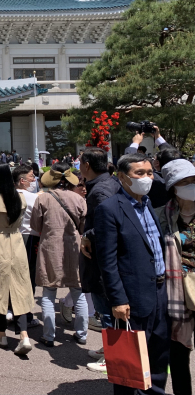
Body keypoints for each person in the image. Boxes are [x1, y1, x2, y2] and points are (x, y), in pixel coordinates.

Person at [94, 154, 169, 395]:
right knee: (130, 360)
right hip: (132, 297)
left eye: (149, 172)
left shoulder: (148, 204)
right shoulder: (110, 209)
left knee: (158, 355)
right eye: (140, 173)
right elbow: (107, 260)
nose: (146, 178)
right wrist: (117, 299)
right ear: (122, 177)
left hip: (160, 291)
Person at [30, 167, 88, 347]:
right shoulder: (79, 199)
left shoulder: (43, 198)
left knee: (48, 291)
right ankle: (81, 333)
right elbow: (83, 226)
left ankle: (48, 335)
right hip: (74, 246)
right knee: (78, 292)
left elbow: (35, 224)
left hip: (50, 246)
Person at [78, 147, 123, 371]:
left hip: (103, 260)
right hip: (102, 257)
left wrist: (88, 235)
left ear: (87, 165)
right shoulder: (108, 183)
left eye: (80, 163)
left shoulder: (101, 190)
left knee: (107, 310)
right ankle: (109, 349)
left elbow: (110, 225)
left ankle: (113, 357)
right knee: (105, 308)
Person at [0, 163, 34, 355]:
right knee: (20, 287)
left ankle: (2, 334)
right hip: (16, 241)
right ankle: (24, 335)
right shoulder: (19, 197)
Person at [157, 159, 195, 395]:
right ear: (173, 186)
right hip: (177, 294)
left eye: (193, 180)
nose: (191, 185)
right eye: (185, 182)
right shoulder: (160, 216)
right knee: (179, 355)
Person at [13, 165, 41, 328]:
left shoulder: (7, 196)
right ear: (22, 180)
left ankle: (11, 310)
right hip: (30, 238)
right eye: (31, 176)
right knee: (28, 277)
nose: (33, 179)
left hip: (11, 237)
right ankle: (26, 315)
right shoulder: (33, 198)